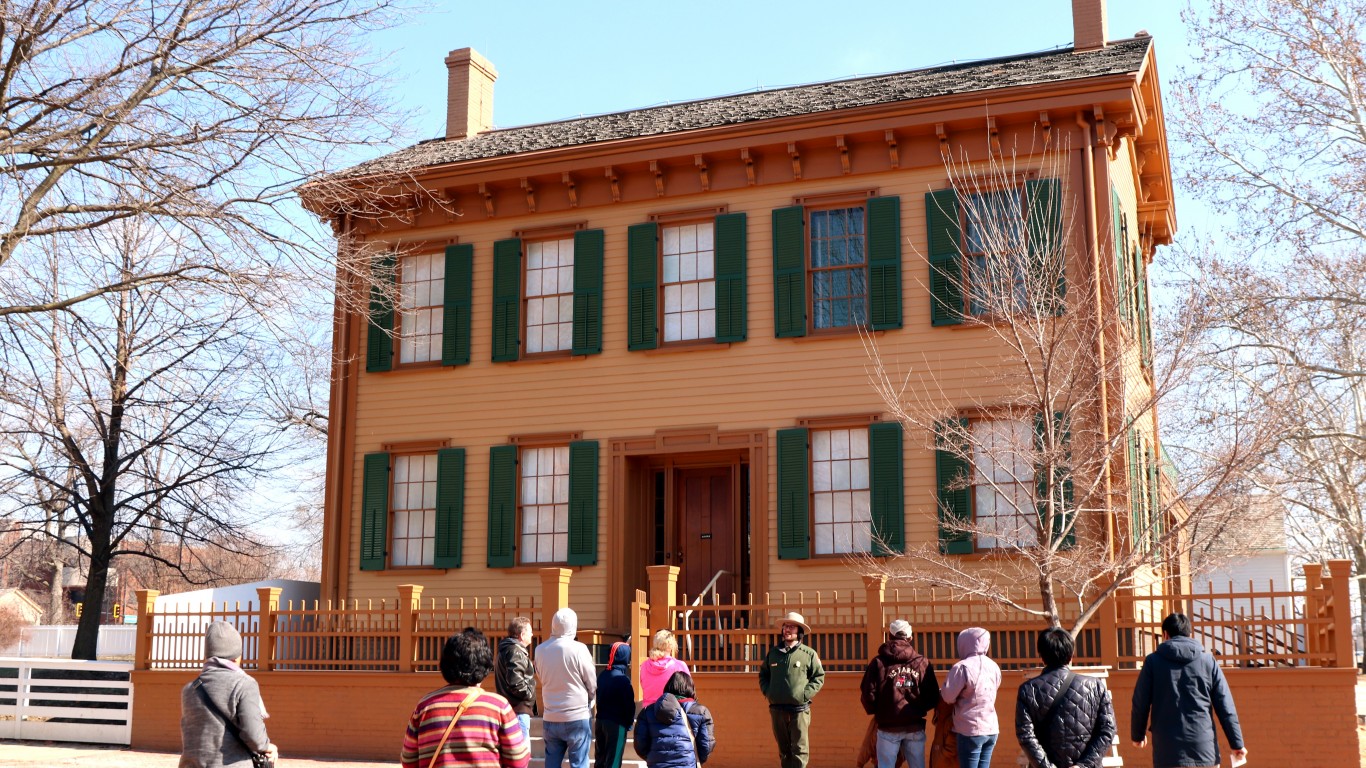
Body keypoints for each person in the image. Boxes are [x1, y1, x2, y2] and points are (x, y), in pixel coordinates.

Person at [400, 627, 530, 768]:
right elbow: (518, 761)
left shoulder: (425, 706)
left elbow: (408, 761)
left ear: (445, 664)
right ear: (485, 664)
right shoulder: (498, 707)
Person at [1131, 613, 1247, 768]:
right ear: (1190, 634)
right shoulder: (1207, 661)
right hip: (1205, 750)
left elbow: (1141, 702)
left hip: (1168, 752)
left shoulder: (1153, 662)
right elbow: (1225, 705)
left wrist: (1138, 735)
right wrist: (1237, 743)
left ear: (1165, 634)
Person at [180, 621, 277, 768]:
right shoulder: (244, 684)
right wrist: (268, 746)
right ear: (237, 655)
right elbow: (254, 737)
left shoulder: (189, 689)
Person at [1016, 628, 1115, 768]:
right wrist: (1084, 765)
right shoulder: (1095, 686)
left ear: (1041, 655)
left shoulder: (1028, 689)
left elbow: (1025, 735)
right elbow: (1107, 729)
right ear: (1071, 654)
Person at [860, 619, 941, 768]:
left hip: (887, 726)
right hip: (914, 726)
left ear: (889, 636)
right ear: (910, 638)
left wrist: (879, 711)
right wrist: (918, 709)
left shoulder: (878, 663)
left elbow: (868, 693)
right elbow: (933, 695)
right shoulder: (921, 662)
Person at [758, 611, 825, 768]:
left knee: (799, 750)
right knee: (784, 749)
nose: (787, 630)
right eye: (785, 626)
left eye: (792, 627)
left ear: (800, 632)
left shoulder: (808, 654)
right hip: (777, 709)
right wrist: (769, 692)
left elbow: (818, 677)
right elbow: (763, 675)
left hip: (799, 710)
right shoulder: (773, 654)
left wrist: (804, 694)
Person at [534, 607, 597, 768]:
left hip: (550, 715)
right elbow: (591, 681)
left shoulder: (539, 650)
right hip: (576, 715)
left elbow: (540, 676)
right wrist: (591, 698)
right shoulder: (579, 649)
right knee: (579, 763)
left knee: (552, 763)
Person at [940, 627, 1001, 768]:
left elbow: (948, 696)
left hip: (969, 729)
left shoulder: (962, 667)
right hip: (991, 728)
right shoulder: (994, 666)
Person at [633, 671, 716, 767]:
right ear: (691, 688)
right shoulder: (701, 711)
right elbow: (706, 746)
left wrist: (654, 758)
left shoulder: (647, 712)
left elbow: (640, 744)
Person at [495, 616, 537, 742]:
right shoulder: (515, 651)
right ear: (522, 635)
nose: (532, 634)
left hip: (511, 708)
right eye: (530, 631)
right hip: (518, 710)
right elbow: (515, 682)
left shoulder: (507, 649)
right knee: (521, 753)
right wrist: (529, 694)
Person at [595, 641, 636, 768]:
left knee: (600, 760)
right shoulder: (623, 680)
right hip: (616, 724)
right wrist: (629, 723)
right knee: (613, 762)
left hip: (600, 722)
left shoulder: (602, 675)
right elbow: (629, 705)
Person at [640, 628, 691, 706]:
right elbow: (689, 691)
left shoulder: (644, 665)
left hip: (648, 712)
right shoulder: (679, 666)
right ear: (671, 646)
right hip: (671, 711)